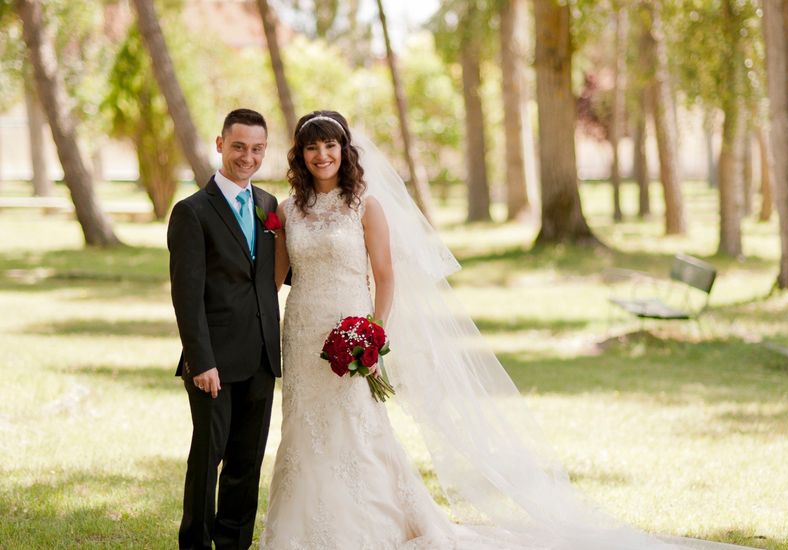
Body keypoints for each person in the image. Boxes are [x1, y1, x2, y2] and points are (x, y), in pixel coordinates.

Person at [260, 111, 743, 550]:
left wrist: (372, 335)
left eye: (330, 145)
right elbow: (278, 273)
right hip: (303, 332)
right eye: (311, 148)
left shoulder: (366, 205)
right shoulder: (291, 210)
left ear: (345, 151)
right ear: (300, 156)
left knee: (356, 430)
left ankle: (368, 527)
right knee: (304, 429)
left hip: (353, 330)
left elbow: (385, 276)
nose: (322, 155)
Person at [168, 108, 282, 550]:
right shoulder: (192, 212)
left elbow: (276, 274)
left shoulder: (268, 206)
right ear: (220, 144)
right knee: (208, 458)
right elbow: (187, 296)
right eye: (238, 147)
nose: (247, 157)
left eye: (256, 149)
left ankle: (234, 542)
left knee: (247, 460)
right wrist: (202, 361)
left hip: (261, 357)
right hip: (212, 361)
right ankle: (194, 542)